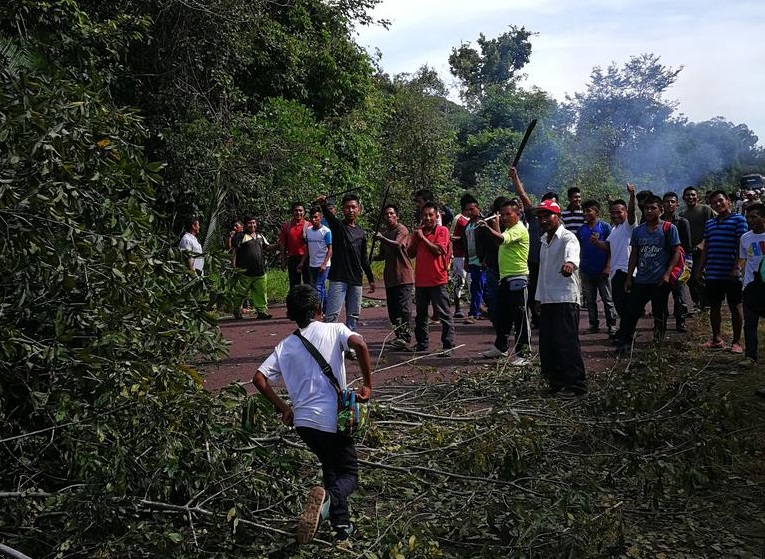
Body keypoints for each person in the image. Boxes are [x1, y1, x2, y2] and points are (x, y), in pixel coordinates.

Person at [252, 285, 373, 544]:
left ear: (290, 314)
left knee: (330, 467)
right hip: (331, 421)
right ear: (319, 309)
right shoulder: (335, 329)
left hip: (304, 424)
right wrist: (367, 384)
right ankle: (327, 502)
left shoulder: (284, 347)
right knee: (350, 475)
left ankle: (342, 526)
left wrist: (284, 408)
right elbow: (360, 344)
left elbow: (258, 379)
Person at [534, 199, 587, 397]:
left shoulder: (567, 237)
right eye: (540, 216)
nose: (543, 220)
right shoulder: (543, 241)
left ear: (558, 216)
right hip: (548, 299)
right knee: (549, 344)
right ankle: (556, 382)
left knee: (567, 342)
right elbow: (542, 273)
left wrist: (570, 265)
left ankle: (576, 385)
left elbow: (572, 256)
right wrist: (539, 298)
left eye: (547, 215)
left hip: (565, 298)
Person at [615, 195, 681, 353]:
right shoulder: (638, 231)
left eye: (653, 208)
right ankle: (625, 342)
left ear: (661, 210)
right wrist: (629, 277)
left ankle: (658, 344)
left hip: (659, 281)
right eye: (646, 208)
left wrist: (667, 274)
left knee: (659, 313)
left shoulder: (669, 228)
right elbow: (634, 255)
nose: (649, 211)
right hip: (641, 280)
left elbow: (676, 252)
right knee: (631, 312)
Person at [317, 194, 375, 350]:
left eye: (354, 207)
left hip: (356, 280)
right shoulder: (338, 227)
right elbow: (329, 217)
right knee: (332, 316)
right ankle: (326, 348)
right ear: (342, 210)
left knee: (353, 316)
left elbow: (364, 259)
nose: (351, 210)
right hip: (338, 278)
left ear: (359, 210)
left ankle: (349, 347)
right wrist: (323, 204)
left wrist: (371, 278)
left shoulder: (361, 233)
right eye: (348, 207)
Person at [695, 190, 748, 352]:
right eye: (714, 203)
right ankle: (717, 339)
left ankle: (737, 342)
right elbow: (706, 248)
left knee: (736, 306)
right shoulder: (710, 223)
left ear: (728, 201)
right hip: (713, 272)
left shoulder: (739, 220)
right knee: (714, 306)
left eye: (720, 201)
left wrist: (737, 266)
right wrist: (699, 270)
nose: (718, 204)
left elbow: (742, 247)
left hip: (732, 273)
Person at [479, 199, 531, 364]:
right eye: (502, 215)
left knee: (520, 317)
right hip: (505, 278)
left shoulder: (519, 229)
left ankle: (524, 354)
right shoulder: (508, 229)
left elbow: (501, 239)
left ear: (518, 214)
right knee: (503, 316)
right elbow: (499, 241)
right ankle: (500, 347)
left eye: (509, 214)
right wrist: (494, 227)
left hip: (518, 278)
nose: (505, 217)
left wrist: (488, 227)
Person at [407, 201, 455, 354]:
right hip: (421, 281)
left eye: (431, 215)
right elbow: (410, 253)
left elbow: (438, 251)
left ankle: (448, 345)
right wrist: (416, 237)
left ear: (436, 216)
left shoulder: (442, 231)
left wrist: (422, 238)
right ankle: (422, 343)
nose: (428, 218)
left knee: (444, 313)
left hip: (437, 280)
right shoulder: (419, 233)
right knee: (421, 315)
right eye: (425, 215)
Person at [373, 204, 415, 350]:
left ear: (397, 216)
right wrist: (370, 258)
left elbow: (398, 245)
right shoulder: (385, 233)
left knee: (404, 309)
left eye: (391, 214)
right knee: (393, 310)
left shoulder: (401, 230)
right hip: (390, 278)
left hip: (404, 276)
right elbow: (382, 255)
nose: (389, 216)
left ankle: (405, 336)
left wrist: (381, 238)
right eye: (386, 214)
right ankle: (399, 336)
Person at [578, 199, 618, 335]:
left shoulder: (605, 227)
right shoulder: (581, 230)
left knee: (607, 299)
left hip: (602, 270)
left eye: (589, 210)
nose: (585, 213)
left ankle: (612, 325)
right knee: (589, 300)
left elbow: (612, 248)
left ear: (597, 212)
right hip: (586, 270)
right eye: (584, 211)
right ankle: (593, 324)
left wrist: (608, 266)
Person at [606, 184, 637, 341]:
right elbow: (610, 247)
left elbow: (631, 212)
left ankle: (627, 335)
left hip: (627, 272)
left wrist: (632, 195)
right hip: (615, 272)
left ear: (625, 212)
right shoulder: (614, 229)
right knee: (620, 305)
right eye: (613, 212)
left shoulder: (628, 227)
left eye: (619, 212)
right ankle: (625, 331)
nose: (616, 215)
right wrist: (596, 243)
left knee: (626, 306)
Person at [737, 203, 765, 367]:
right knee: (750, 323)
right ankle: (750, 357)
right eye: (748, 217)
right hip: (750, 287)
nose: (750, 220)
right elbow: (743, 259)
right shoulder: (745, 238)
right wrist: (736, 269)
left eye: (754, 217)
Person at [661, 192, 692, 332]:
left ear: (677, 204)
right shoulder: (658, 221)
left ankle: (681, 321)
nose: (670, 204)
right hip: (661, 263)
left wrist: (688, 264)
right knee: (661, 295)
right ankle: (661, 323)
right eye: (667, 201)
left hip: (679, 264)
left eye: (672, 202)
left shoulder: (682, 222)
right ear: (662, 204)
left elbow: (687, 245)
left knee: (679, 294)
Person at [231, 216, 274, 319]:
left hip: (260, 271)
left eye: (254, 223)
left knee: (261, 292)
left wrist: (279, 245)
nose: (252, 225)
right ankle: (237, 310)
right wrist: (234, 266)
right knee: (240, 293)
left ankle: (261, 311)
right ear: (245, 225)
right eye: (250, 223)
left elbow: (267, 247)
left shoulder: (260, 236)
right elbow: (234, 252)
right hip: (244, 272)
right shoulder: (240, 236)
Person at [680, 186, 714, 311]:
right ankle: (698, 302)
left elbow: (711, 228)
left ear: (697, 196)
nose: (691, 197)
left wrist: (703, 243)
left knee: (698, 276)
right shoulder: (682, 215)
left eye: (693, 195)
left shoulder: (705, 210)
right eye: (688, 195)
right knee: (688, 278)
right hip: (688, 251)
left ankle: (707, 303)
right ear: (683, 198)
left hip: (703, 250)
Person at [300, 207, 332, 314]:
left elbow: (330, 249)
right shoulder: (309, 231)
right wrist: (302, 262)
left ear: (320, 218)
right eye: (312, 217)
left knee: (318, 286)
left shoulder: (326, 231)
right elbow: (308, 249)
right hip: (312, 264)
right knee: (319, 286)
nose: (313, 220)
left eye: (316, 217)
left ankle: (317, 311)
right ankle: (326, 308)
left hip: (323, 264)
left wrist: (324, 263)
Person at [461, 194, 485, 324]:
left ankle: (473, 313)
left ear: (478, 208)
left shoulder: (483, 224)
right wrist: (466, 260)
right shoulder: (468, 226)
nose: (470, 212)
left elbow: (488, 243)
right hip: (472, 260)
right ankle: (485, 310)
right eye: (467, 210)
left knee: (477, 287)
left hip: (481, 261)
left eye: (472, 209)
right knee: (479, 287)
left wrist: (485, 259)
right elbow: (466, 244)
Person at [450, 198, 472, 319]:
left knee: (471, 282)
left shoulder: (474, 219)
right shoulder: (458, 219)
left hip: (472, 256)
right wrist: (464, 240)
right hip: (460, 255)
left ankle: (473, 309)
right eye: (469, 209)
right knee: (459, 281)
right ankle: (458, 308)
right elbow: (451, 236)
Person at [279, 201, 310, 287]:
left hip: (306, 258)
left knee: (308, 284)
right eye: (296, 210)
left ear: (304, 212)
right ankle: (295, 300)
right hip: (292, 259)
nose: (298, 213)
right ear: (292, 212)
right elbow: (283, 244)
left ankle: (308, 300)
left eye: (300, 210)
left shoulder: (309, 225)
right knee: (294, 285)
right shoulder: (287, 226)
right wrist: (282, 260)